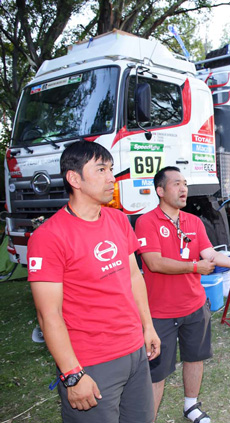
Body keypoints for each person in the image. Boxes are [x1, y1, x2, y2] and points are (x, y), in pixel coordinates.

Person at [27, 141, 160, 422]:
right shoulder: (48, 237)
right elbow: (47, 314)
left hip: (135, 351)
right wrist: (72, 374)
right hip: (92, 363)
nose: (111, 177)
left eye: (111, 169)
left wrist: (147, 327)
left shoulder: (119, 220)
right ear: (74, 178)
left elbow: (134, 276)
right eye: (101, 169)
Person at [134, 166, 230, 423]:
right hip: (159, 312)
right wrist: (194, 267)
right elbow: (154, 262)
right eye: (176, 184)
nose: (183, 189)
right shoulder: (147, 222)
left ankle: (191, 406)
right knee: (157, 373)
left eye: (185, 184)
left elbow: (209, 254)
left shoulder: (193, 221)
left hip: (194, 306)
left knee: (195, 358)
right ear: (160, 190)